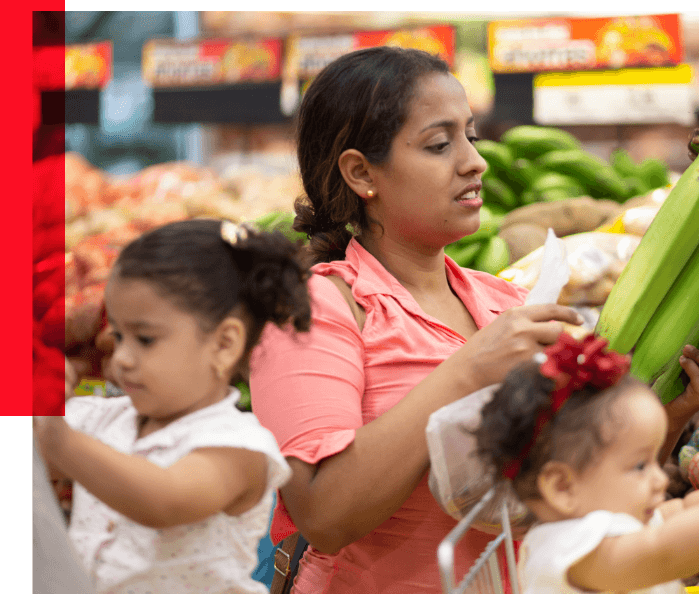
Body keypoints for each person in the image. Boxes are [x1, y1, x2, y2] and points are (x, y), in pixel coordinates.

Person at [248, 45, 588, 594]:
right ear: (361, 173)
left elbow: (573, 482)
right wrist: (467, 369)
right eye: (438, 144)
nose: (475, 161)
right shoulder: (315, 311)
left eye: (470, 136)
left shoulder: (505, 302)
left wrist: (679, 405)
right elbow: (323, 516)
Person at [33, 219, 311, 594]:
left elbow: (164, 500)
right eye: (118, 335)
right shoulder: (104, 418)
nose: (122, 357)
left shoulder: (238, 445)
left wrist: (61, 441)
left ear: (224, 344)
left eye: (145, 339)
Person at [473, 331, 699, 593]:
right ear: (563, 488)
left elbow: (687, 510)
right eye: (640, 466)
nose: (660, 478)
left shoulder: (622, 522)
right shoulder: (573, 551)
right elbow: (668, 552)